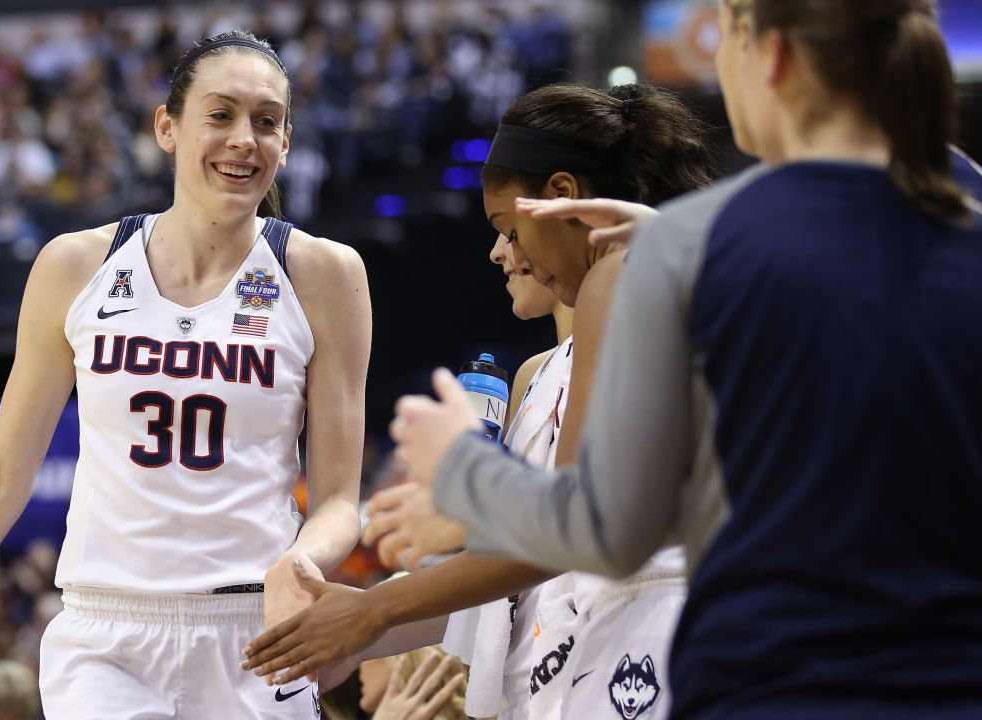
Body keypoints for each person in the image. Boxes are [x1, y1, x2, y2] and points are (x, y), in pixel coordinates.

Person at [383, 2, 982, 719]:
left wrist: (462, 469)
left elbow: (604, 528)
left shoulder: (694, 250)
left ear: (767, 54)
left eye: (725, 37)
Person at [0, 30, 370, 720]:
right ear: (168, 127)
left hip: (257, 631)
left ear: (286, 142)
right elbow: (2, 474)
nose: (244, 139)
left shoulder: (325, 274)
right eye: (220, 115)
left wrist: (305, 562)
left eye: (266, 122)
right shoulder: (76, 265)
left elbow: (340, 498)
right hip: (105, 633)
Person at [242, 83, 715, 720]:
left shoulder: (620, 272)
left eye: (508, 228)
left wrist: (391, 591)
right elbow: (528, 556)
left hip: (643, 639)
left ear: (561, 197)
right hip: (601, 642)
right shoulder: (586, 336)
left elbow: (569, 527)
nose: (503, 250)